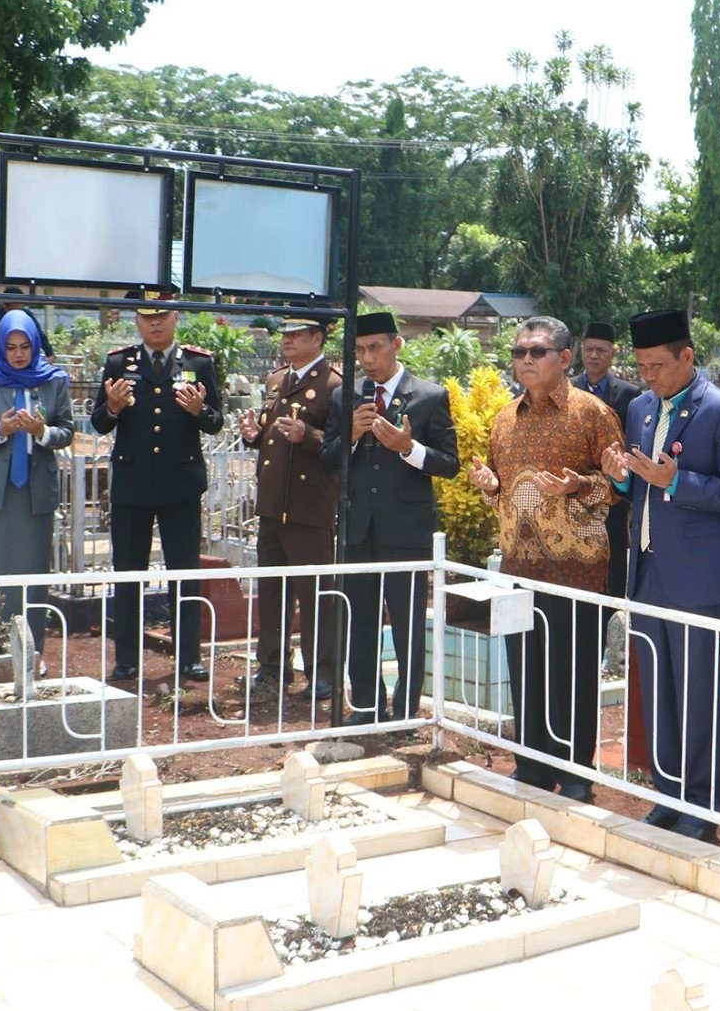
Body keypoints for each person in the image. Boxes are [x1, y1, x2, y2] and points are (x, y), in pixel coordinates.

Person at [599, 308, 720, 842]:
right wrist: (622, 480)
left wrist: (677, 481)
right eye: (642, 366)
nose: (648, 376)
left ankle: (702, 807)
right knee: (657, 692)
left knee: (698, 696)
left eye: (659, 366)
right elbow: (638, 488)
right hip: (649, 571)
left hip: (699, 580)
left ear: (688, 356)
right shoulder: (641, 407)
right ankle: (668, 796)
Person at [470, 317, 619, 797]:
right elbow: (501, 488)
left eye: (537, 352)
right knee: (527, 671)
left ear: (565, 358)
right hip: (518, 568)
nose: (526, 360)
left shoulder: (592, 414)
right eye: (519, 353)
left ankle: (576, 772)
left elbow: (618, 488)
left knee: (572, 673)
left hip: (577, 571)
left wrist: (579, 484)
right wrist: (490, 487)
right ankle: (531, 764)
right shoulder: (503, 418)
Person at [319, 310, 459, 726]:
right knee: (359, 621)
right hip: (358, 531)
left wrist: (408, 447)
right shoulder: (347, 397)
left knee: (407, 625)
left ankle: (405, 711)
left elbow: (449, 463)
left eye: (375, 347)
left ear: (396, 345)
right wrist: (354, 435)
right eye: (360, 350)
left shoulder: (430, 396)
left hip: (407, 531)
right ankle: (365, 705)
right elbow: (328, 460)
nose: (367, 358)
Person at [91, 284, 223, 684]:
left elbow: (216, 423)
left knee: (184, 572)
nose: (156, 325)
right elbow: (99, 422)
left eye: (162, 317)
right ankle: (127, 659)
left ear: (175, 318)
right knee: (128, 573)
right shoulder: (119, 363)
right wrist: (112, 406)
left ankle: (188, 658)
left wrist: (201, 411)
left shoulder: (198, 363)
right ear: (138, 322)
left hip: (180, 483)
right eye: (148, 318)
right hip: (132, 484)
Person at [239, 314, 342, 707]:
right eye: (285, 334)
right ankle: (272, 665)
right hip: (271, 506)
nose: (288, 340)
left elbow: (338, 446)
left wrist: (309, 436)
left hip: (309, 506)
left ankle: (323, 673)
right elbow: (269, 431)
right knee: (272, 590)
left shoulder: (333, 385)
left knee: (315, 594)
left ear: (317, 338)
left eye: (297, 335)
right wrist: (253, 435)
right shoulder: (276, 379)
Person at [0, 313, 72, 620]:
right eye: (11, 348)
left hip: (35, 491)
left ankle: (31, 649)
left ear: (35, 345)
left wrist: (41, 432)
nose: (19, 354)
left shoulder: (54, 380)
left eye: (25, 346)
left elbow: (67, 430)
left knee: (32, 569)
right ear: (0, 348)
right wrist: (0, 430)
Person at [571, 321, 642, 608]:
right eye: (589, 349)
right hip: (573, 492)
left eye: (601, 350)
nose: (594, 355)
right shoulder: (568, 388)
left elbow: (634, 443)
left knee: (612, 568)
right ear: (580, 351)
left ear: (612, 353)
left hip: (612, 494)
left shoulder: (628, 394)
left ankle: (610, 632)